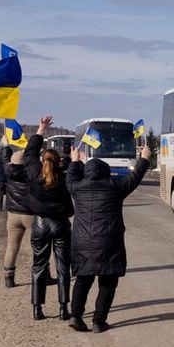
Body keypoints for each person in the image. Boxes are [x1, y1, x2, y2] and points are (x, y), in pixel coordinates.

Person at [65, 143, 152, 333]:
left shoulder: (77, 188)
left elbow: (71, 177)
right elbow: (134, 177)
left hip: (81, 241)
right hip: (109, 242)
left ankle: (76, 316)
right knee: (108, 281)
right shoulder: (116, 187)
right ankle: (98, 321)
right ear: (106, 172)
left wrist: (75, 161)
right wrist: (144, 158)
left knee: (83, 279)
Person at [21, 116, 75, 321]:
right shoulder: (63, 177)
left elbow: (29, 153)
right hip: (60, 224)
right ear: (59, 161)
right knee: (63, 266)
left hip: (40, 224)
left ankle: (37, 308)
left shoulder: (35, 173)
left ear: (43, 161)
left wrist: (40, 130)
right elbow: (70, 205)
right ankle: (63, 308)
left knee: (38, 266)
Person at [2, 146, 34, 289]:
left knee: (12, 246)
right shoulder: (31, 174)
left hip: (12, 215)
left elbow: (4, 159)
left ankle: (9, 277)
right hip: (30, 214)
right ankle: (43, 274)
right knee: (38, 246)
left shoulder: (8, 173)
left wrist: (6, 146)